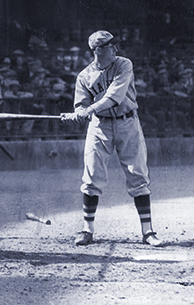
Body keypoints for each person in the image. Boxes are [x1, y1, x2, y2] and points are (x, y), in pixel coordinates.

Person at [61, 30, 163, 247]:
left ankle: (148, 232)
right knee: (91, 176)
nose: (115, 49)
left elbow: (114, 96)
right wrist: (77, 114)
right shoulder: (84, 76)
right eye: (110, 46)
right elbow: (80, 105)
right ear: (98, 50)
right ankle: (87, 230)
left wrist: (87, 110)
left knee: (138, 174)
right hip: (100, 126)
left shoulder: (124, 64)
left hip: (128, 122)